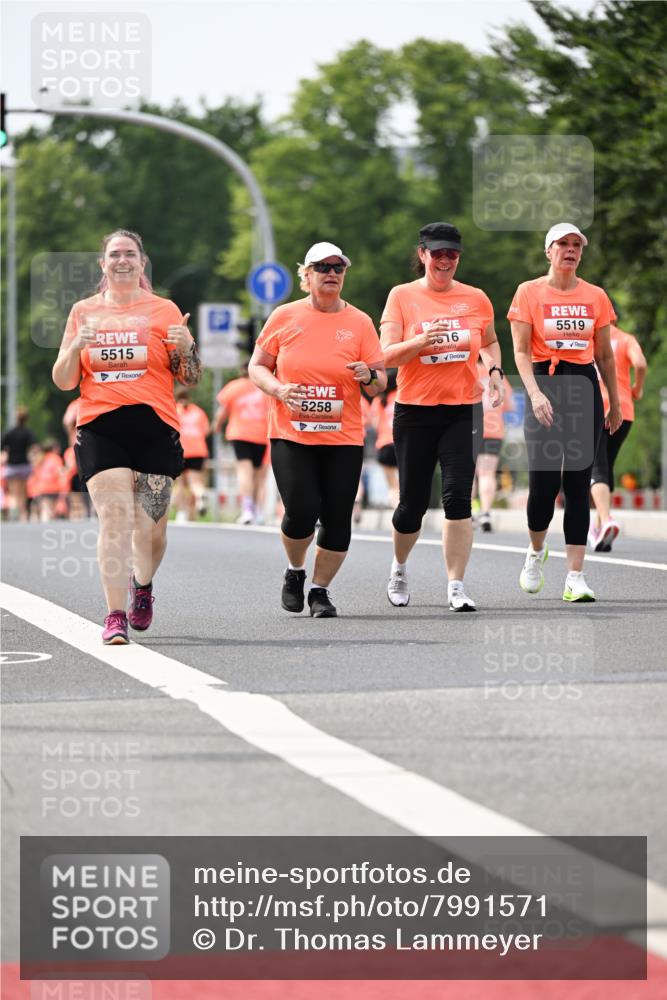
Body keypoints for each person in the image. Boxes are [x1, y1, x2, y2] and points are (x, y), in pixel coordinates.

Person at [52, 229, 201, 644]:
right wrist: (72, 348)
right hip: (102, 426)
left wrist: (187, 345)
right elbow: (64, 381)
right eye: (114, 254)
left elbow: (190, 375)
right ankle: (114, 614)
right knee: (116, 519)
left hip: (155, 427)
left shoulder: (164, 309)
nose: (122, 260)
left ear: (142, 262)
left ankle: (143, 584)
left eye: (129, 254)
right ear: (103, 264)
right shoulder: (83, 312)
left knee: (151, 528)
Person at [248, 241, 386, 617]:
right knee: (301, 509)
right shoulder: (283, 316)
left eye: (337, 268)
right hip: (292, 433)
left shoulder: (359, 322)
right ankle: (295, 571)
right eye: (321, 267)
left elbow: (379, 383)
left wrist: (368, 374)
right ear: (305, 276)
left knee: (339, 518)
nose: (331, 274)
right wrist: (278, 388)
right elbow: (256, 366)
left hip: (343, 436)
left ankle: (320, 591)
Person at [380, 222, 504, 612]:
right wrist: (418, 342)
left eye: (451, 254)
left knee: (456, 498)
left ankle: (456, 585)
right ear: (422, 255)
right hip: (415, 410)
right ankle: (399, 567)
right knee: (412, 504)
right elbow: (384, 356)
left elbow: (490, 340)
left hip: (462, 410)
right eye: (437, 253)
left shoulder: (476, 298)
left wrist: (495, 372)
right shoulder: (401, 297)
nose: (445, 260)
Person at [508, 222, 622, 602]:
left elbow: (605, 354)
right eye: (563, 244)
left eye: (577, 245)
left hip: (583, 386)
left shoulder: (595, 296)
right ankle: (536, 551)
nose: (570, 250)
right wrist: (536, 394)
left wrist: (614, 402)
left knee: (578, 483)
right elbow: (521, 352)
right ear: (549, 251)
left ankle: (575, 577)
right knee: (543, 486)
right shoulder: (528, 292)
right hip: (544, 380)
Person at [589, 319, 647, 551]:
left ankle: (606, 519)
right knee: (606, 467)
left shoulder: (588, 340)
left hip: (595, 409)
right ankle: (600, 529)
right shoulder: (626, 339)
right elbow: (640, 363)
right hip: (624, 412)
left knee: (596, 467)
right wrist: (638, 388)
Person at [214, 363, 270, 525]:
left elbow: (222, 412)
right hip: (263, 435)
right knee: (260, 476)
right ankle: (259, 512)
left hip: (240, 434)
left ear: (241, 371)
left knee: (244, 471)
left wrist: (217, 426)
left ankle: (247, 510)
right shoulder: (265, 386)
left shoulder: (234, 386)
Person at [472, 357, 514, 532]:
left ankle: (467, 514)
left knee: (469, 473)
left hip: (470, 427)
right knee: (487, 473)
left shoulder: (469, 369)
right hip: (493, 429)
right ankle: (486, 513)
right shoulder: (497, 376)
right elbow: (509, 405)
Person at [173, 387, 210, 521]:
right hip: (198, 450)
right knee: (195, 482)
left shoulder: (174, 410)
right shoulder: (199, 412)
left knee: (180, 483)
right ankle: (200, 494)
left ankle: (182, 513)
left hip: (179, 450)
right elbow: (205, 430)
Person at [1, 406, 37, 521]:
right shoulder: (28, 433)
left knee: (14, 491)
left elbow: (2, 447)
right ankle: (24, 513)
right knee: (23, 490)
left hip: (12, 465)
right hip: (24, 465)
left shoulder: (9, 432)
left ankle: (14, 510)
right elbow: (34, 448)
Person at [370, 369, 399, 510]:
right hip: (401, 443)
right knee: (405, 481)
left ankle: (397, 509)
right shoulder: (401, 396)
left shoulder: (378, 401)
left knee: (392, 484)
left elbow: (375, 424)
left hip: (385, 444)